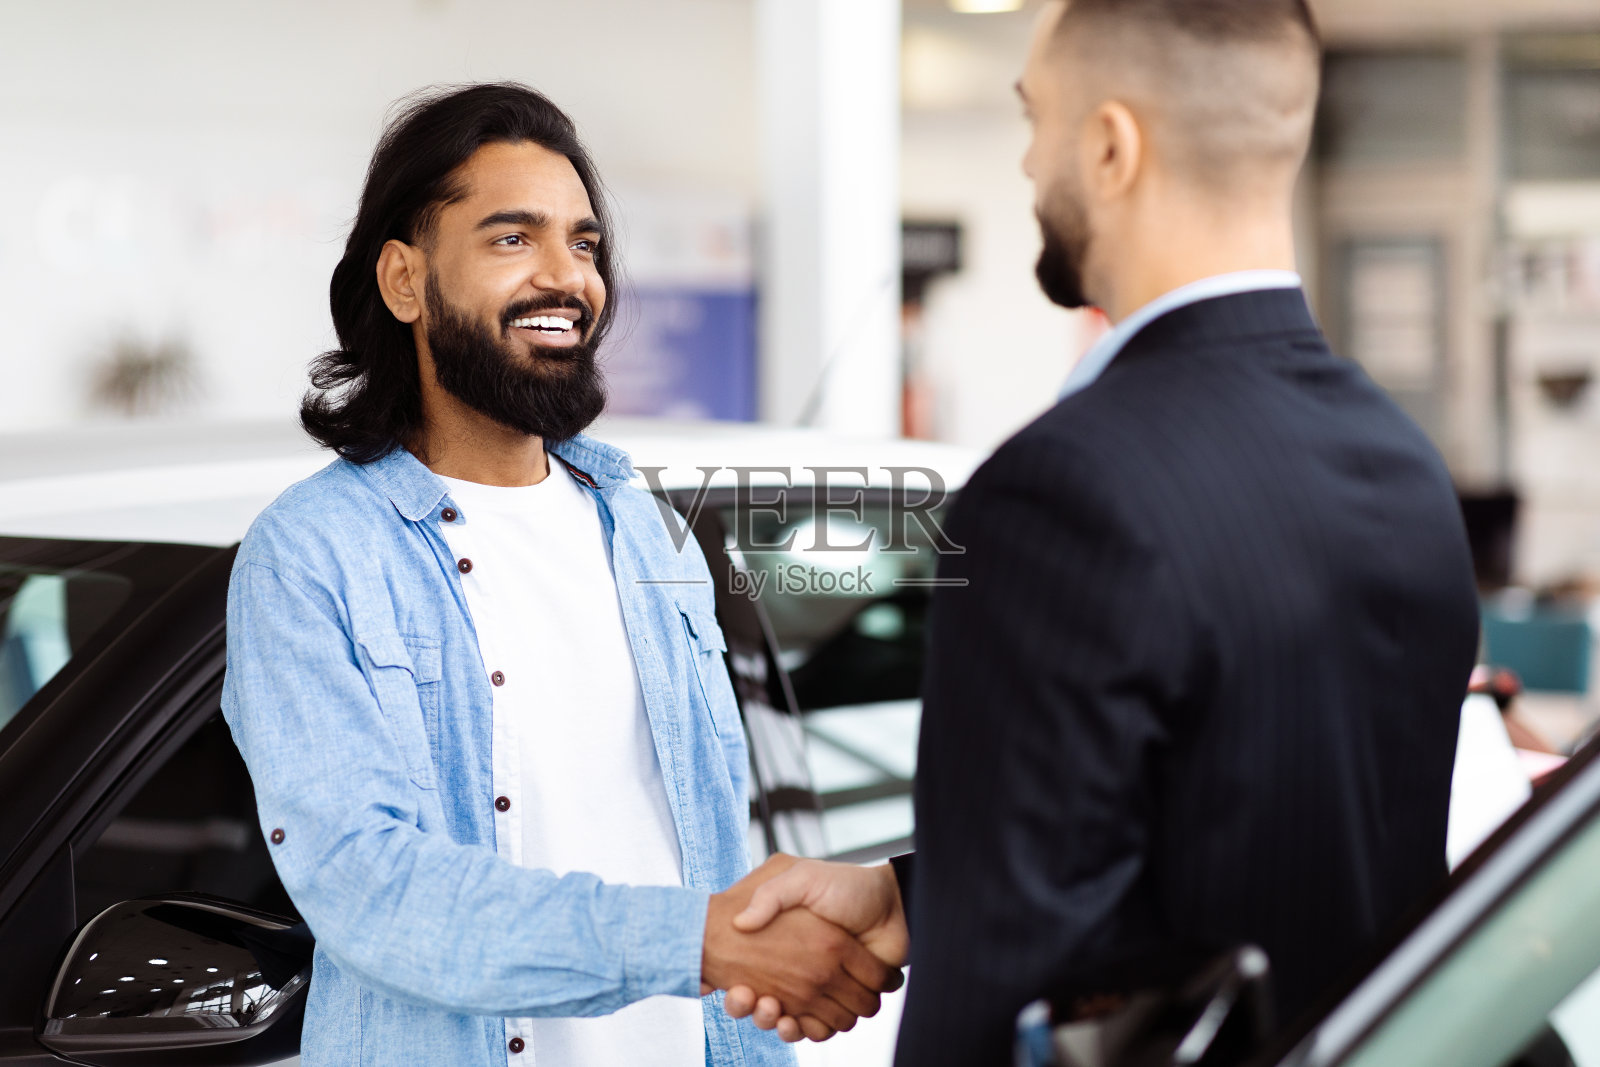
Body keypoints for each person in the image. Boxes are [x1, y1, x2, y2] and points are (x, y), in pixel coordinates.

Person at [723, 1, 1480, 1062]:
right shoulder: (1402, 465)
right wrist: (906, 896)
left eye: (1036, 120)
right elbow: (1260, 844)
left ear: (1112, 146)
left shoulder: (1060, 492)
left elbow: (1004, 992)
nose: (1030, 165)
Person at [220, 83, 898, 1067]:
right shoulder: (313, 554)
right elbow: (372, 886)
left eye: (583, 244)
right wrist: (695, 938)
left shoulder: (645, 525)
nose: (565, 276)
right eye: (511, 239)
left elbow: (713, 838)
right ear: (404, 280)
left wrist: (753, 949)